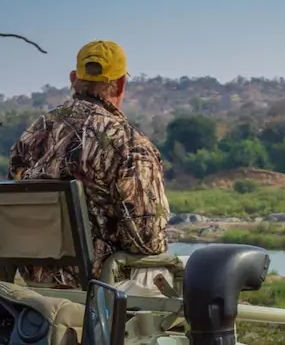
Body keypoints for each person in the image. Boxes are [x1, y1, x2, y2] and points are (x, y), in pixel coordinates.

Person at [9, 40, 171, 289]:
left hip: (36, 288)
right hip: (102, 290)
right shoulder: (129, 144)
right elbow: (147, 240)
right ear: (120, 84)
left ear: (74, 78)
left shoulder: (30, 137)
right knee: (176, 270)